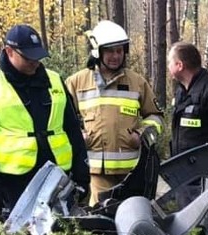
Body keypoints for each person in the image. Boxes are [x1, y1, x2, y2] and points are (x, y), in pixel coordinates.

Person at [0, 24, 89, 216]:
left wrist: (82, 174)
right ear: (9, 52)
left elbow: (72, 130)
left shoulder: (54, 81)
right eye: (28, 57)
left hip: (58, 178)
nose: (34, 62)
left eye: (38, 56)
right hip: (14, 184)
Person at [66, 20, 164, 205]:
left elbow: (156, 117)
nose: (116, 56)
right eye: (110, 51)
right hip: (97, 174)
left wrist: (141, 135)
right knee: (102, 223)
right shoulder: (76, 82)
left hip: (133, 172)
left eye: (120, 51)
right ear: (98, 51)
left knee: (132, 220)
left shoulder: (137, 82)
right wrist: (78, 135)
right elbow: (62, 119)